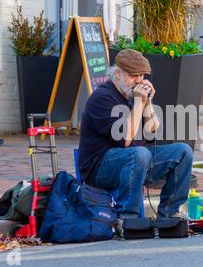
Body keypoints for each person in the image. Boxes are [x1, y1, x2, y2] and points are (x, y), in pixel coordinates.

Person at [78, 49, 193, 237]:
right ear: (118, 74)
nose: (139, 80)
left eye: (141, 75)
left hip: (136, 162)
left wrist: (147, 103)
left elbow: (152, 131)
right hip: (100, 169)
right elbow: (125, 140)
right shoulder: (102, 98)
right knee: (140, 153)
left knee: (183, 151)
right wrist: (139, 104)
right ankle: (127, 218)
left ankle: (168, 215)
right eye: (134, 76)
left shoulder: (132, 95)